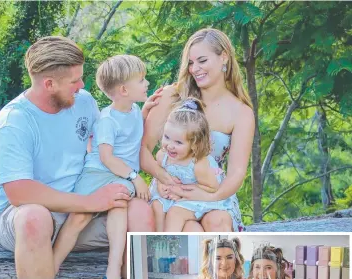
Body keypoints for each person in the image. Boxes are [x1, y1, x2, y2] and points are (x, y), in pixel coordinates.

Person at [0, 36, 155, 279]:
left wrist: (146, 112)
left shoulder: (83, 102)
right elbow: (19, 194)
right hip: (22, 218)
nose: (82, 85)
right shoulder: (14, 121)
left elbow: (105, 143)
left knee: (140, 211)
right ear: (49, 84)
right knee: (36, 217)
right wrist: (90, 203)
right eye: (75, 81)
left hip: (79, 210)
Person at [141, 28, 255, 232]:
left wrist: (210, 196)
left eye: (202, 61)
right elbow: (143, 149)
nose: (195, 69)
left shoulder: (241, 112)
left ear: (224, 57)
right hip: (169, 192)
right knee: (189, 228)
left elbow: (237, 172)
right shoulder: (171, 97)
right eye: (191, 63)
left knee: (217, 222)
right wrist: (167, 180)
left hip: (212, 192)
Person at [52, 55, 150, 279]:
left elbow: (133, 132)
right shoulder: (107, 119)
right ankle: (52, 265)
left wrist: (148, 109)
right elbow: (106, 157)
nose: (147, 84)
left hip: (118, 176)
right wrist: (135, 177)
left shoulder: (135, 110)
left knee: (119, 203)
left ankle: (113, 268)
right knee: (80, 217)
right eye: (142, 79)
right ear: (124, 90)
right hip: (99, 172)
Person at [150, 97, 225, 232]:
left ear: (194, 144)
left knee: (175, 213)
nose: (170, 146)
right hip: (172, 194)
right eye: (167, 137)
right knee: (157, 205)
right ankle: (159, 238)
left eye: (178, 142)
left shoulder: (198, 163)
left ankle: (170, 241)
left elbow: (212, 188)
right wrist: (161, 185)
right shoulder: (162, 155)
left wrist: (181, 191)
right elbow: (158, 174)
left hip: (197, 199)